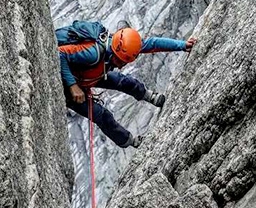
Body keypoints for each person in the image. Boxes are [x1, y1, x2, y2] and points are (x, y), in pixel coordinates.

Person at [57, 22, 197, 148]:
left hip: (91, 73)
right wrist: (72, 85)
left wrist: (183, 45)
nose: (122, 66)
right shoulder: (92, 54)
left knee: (122, 80)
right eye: (121, 62)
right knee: (101, 114)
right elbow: (60, 54)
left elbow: (153, 43)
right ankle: (130, 141)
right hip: (69, 85)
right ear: (115, 54)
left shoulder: (126, 45)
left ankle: (149, 96)